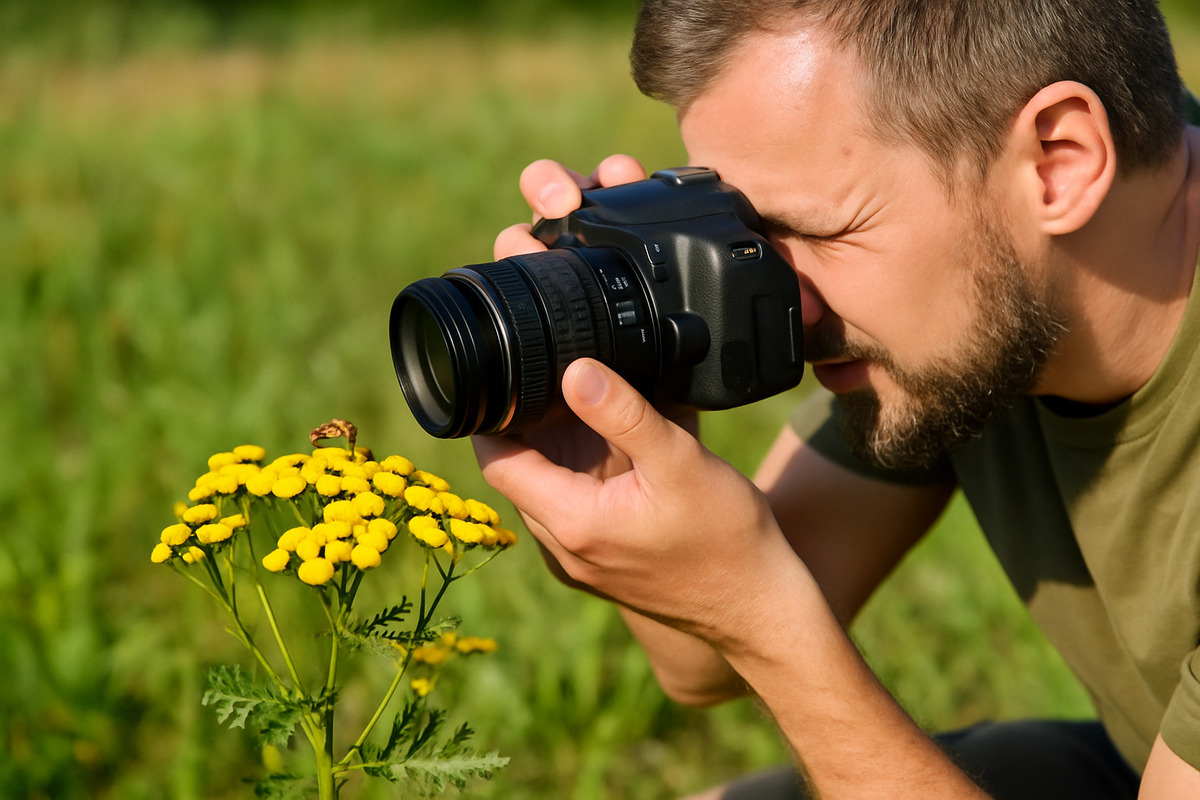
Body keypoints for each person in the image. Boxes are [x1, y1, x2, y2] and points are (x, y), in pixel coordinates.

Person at [470, 1, 1200, 797]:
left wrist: (766, 625)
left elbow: (750, 620)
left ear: (1060, 162)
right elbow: (701, 664)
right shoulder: (972, 316)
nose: (787, 301)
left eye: (818, 232)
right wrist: (622, 448)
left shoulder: (949, 324)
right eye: (744, 231)